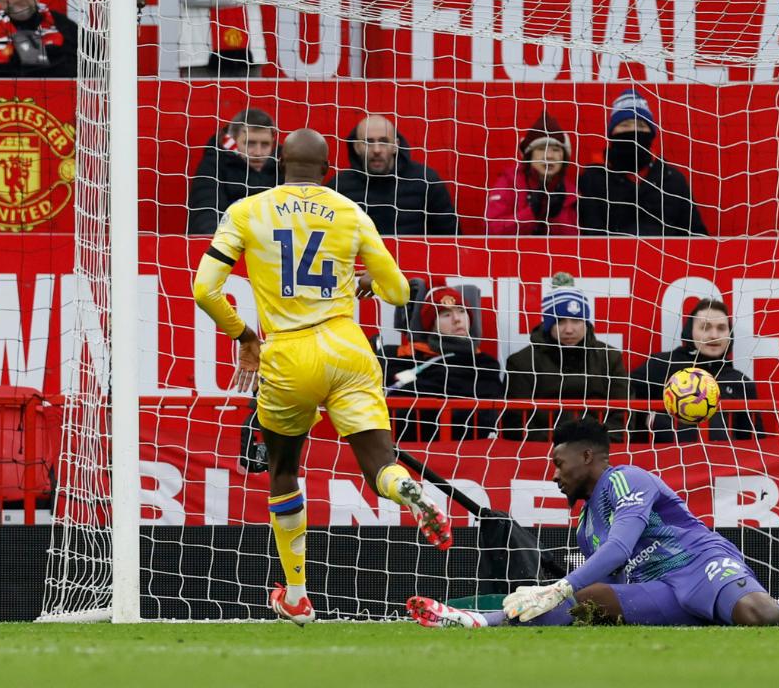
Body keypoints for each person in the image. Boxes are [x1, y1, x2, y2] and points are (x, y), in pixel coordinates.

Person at [192, 128, 452, 626]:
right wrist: (369, 283)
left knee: (284, 470)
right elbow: (400, 292)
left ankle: (296, 594)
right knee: (379, 463)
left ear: (281, 161)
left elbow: (204, 289)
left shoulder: (247, 211)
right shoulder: (351, 212)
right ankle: (408, 491)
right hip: (347, 346)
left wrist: (244, 334)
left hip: (288, 353)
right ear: (330, 168)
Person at [407, 418, 779, 629]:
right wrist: (567, 595)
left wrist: (560, 585)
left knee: (760, 616)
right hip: (660, 593)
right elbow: (607, 574)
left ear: (591, 457)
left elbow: (621, 546)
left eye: (559, 462)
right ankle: (473, 622)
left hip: (699, 566)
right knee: (586, 606)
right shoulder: (582, 530)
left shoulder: (625, 479)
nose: (553, 474)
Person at [504, 273, 628, 440]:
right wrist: (559, 442)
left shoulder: (610, 358)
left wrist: (597, 443)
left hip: (600, 452)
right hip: (541, 452)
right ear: (548, 325)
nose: (569, 329)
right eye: (560, 321)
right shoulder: (522, 362)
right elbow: (515, 423)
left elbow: (624, 416)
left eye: (576, 321)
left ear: (586, 323)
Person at [380, 285, 505, 440]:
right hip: (416, 453)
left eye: (461, 311)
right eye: (446, 314)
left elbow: (491, 418)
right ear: (432, 325)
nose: (457, 319)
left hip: (473, 454)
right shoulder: (400, 359)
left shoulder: (486, 364)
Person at [579, 90, 709, 237]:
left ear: (651, 133)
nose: (633, 130)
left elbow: (697, 236)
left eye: (641, 125)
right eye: (625, 125)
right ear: (612, 132)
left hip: (667, 258)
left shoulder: (672, 178)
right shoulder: (593, 178)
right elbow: (590, 234)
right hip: (610, 258)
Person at [631, 298, 762, 443]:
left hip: (723, 462)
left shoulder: (740, 381)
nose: (714, 335)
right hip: (666, 461)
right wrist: (658, 423)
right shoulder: (661, 365)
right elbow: (625, 400)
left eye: (721, 328)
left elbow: (754, 441)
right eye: (705, 327)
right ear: (689, 331)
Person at [328, 114, 460, 236]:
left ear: (396, 145)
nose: (377, 150)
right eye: (369, 142)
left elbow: (451, 236)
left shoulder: (426, 181)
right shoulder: (339, 187)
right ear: (357, 147)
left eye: (384, 141)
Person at [187, 108, 279, 234]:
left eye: (265, 144)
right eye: (250, 143)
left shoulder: (283, 165)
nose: (258, 152)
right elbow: (206, 212)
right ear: (234, 140)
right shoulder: (215, 163)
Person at [486, 113, 579, 236]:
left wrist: (554, 215)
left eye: (556, 150)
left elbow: (574, 243)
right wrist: (531, 212)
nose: (549, 156)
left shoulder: (570, 191)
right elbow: (493, 231)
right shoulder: (509, 183)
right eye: (541, 149)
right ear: (529, 155)